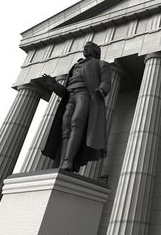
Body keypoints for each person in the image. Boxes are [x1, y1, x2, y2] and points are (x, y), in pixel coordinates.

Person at [40, 41, 111, 172]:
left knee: (76, 122)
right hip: (70, 96)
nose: (84, 49)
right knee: (65, 127)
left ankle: (68, 160)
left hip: (84, 95)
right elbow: (64, 91)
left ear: (95, 51)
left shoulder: (101, 64)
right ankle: (63, 161)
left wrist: (101, 90)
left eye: (87, 48)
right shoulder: (75, 66)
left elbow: (106, 82)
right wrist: (54, 85)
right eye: (84, 48)